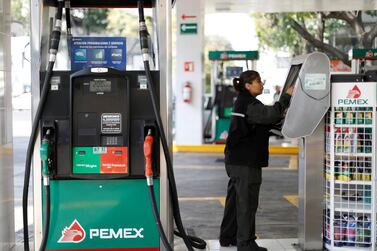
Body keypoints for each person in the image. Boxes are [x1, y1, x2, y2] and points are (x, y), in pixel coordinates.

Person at [219, 70, 293, 251]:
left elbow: (264, 120)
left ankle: (228, 237)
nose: (262, 84)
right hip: (245, 161)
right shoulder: (250, 104)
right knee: (247, 202)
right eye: (258, 81)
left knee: (236, 199)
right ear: (248, 85)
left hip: (235, 159)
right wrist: (286, 97)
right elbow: (271, 115)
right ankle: (246, 243)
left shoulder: (243, 102)